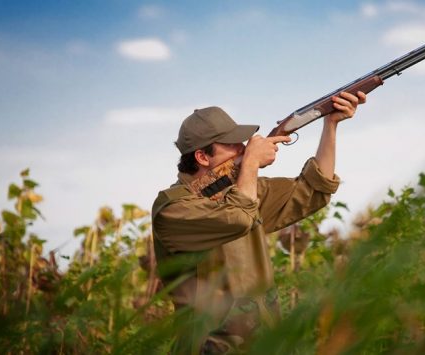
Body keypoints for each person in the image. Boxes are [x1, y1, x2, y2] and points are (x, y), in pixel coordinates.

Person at [152, 91, 367, 354]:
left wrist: (330, 125)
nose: (243, 147)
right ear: (202, 157)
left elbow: (313, 190)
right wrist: (251, 163)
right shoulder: (173, 209)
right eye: (231, 144)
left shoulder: (245, 191)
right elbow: (239, 217)